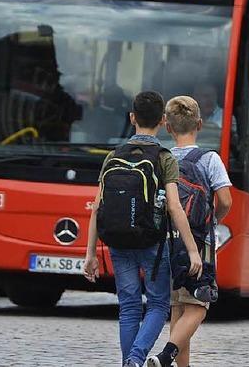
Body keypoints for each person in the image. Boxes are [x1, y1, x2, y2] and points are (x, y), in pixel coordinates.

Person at [83, 91, 203, 367]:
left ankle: (130, 362)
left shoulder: (113, 156)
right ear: (162, 121)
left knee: (128, 307)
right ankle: (135, 360)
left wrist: (90, 254)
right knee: (159, 306)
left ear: (132, 118)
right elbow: (174, 207)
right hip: (152, 244)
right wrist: (193, 251)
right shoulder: (164, 158)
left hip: (118, 242)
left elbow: (97, 208)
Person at [148, 95, 233, 367]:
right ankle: (165, 356)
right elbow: (226, 201)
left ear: (168, 128)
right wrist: (212, 220)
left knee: (178, 307)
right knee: (198, 306)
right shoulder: (209, 159)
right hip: (198, 241)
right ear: (199, 124)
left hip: (169, 242)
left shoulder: (163, 159)